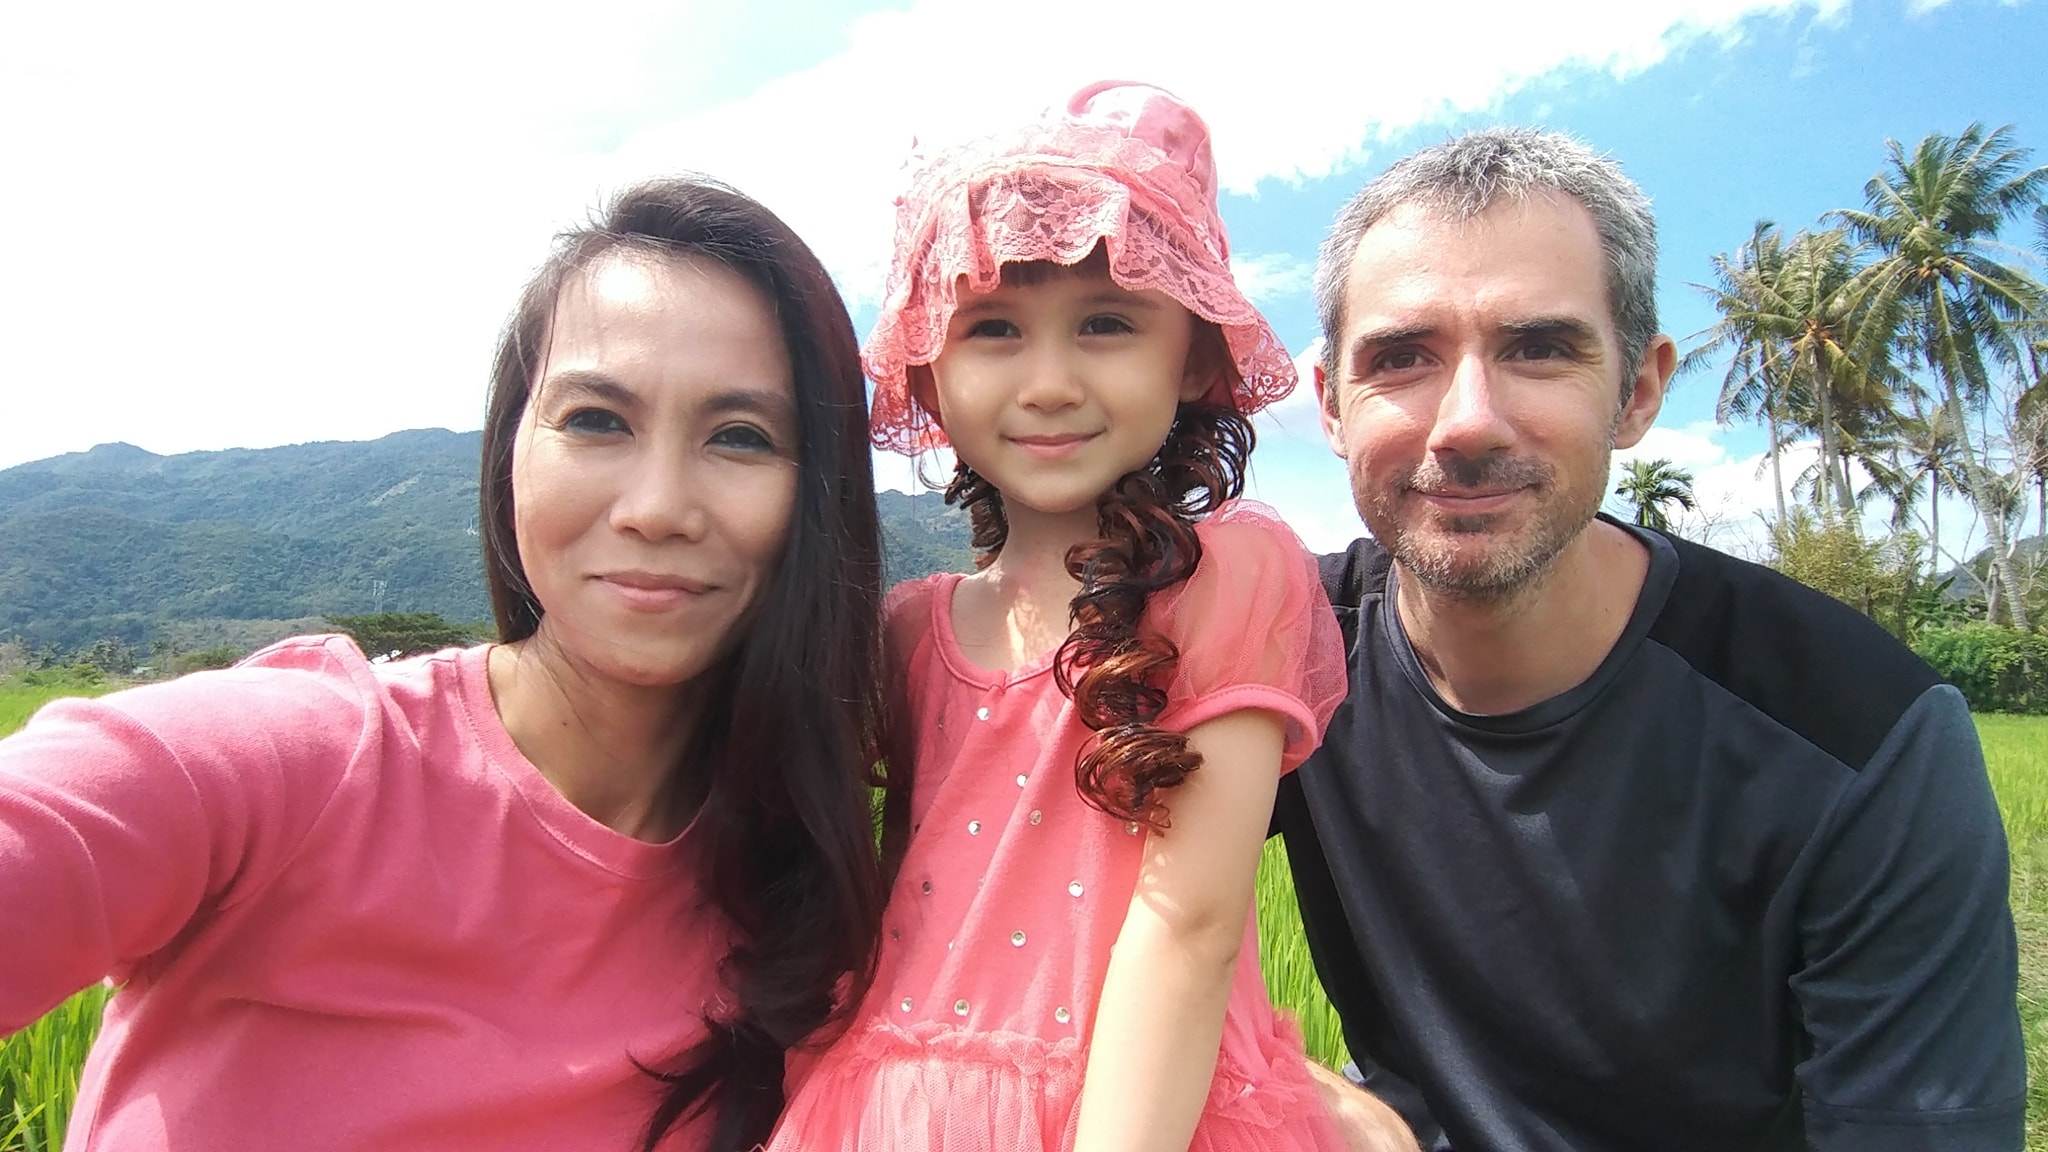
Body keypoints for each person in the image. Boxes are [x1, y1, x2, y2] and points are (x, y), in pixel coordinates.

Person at [0, 177, 896, 1151]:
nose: (656, 507)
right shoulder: (288, 765)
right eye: (596, 419)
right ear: (511, 448)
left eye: (740, 437)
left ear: (819, 501)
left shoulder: (798, 901)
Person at [1275, 127, 2026, 1151]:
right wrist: (1281, 1084)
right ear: (1328, 402)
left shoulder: (1855, 739)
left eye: (1537, 348)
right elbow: (1035, 907)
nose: (1466, 422)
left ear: (1635, 390)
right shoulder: (1277, 659)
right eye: (1402, 357)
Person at [764, 81, 1352, 1152]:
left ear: (1190, 356)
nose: (1046, 383)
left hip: (1139, 1111)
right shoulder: (908, 629)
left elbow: (1191, 922)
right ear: (930, 373)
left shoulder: (1230, 575)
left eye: (1105, 324)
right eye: (991, 328)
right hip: (891, 1106)